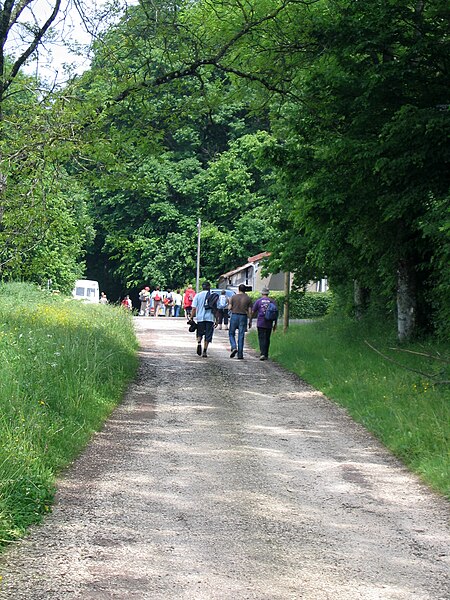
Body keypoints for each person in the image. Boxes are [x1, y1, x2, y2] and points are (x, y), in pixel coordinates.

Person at [251, 287, 278, 360]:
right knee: (267, 338)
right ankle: (266, 354)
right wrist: (275, 324)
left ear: (262, 293)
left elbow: (253, 311)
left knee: (261, 338)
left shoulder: (259, 301)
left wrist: (250, 320)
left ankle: (262, 353)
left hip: (261, 322)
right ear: (268, 293)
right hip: (269, 323)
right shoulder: (272, 301)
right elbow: (275, 313)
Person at [191, 281, 216, 358]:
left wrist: (192, 317)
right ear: (209, 287)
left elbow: (194, 308)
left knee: (199, 332)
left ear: (202, 287)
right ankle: (205, 350)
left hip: (200, 318)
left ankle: (199, 343)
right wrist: (217, 319)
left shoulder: (198, 295)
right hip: (210, 318)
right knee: (208, 334)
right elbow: (215, 308)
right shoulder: (212, 296)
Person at [228, 284, 253, 359]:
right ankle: (240, 354)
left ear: (238, 289)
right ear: (245, 290)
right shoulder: (248, 298)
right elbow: (250, 311)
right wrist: (250, 320)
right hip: (243, 317)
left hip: (234, 316)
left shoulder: (233, 297)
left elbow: (229, 307)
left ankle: (234, 346)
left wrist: (229, 304)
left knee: (231, 333)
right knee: (241, 335)